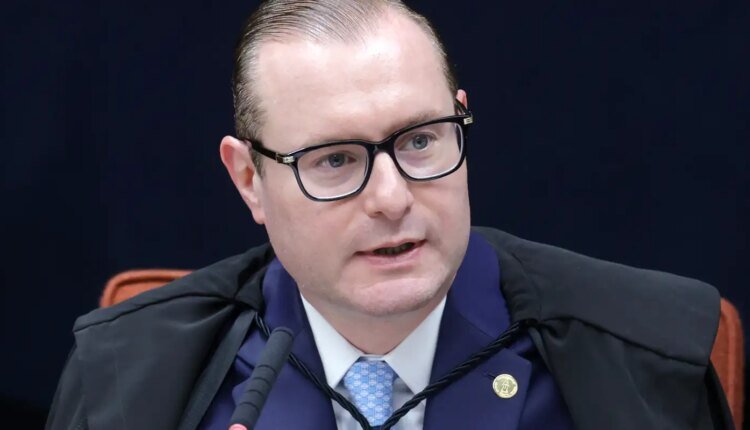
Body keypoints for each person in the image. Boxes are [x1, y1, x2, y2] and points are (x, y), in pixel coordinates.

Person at [46, 1, 734, 429]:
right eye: (335, 160)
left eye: (420, 141)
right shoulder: (126, 376)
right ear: (250, 179)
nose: (392, 197)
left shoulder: (640, 355)